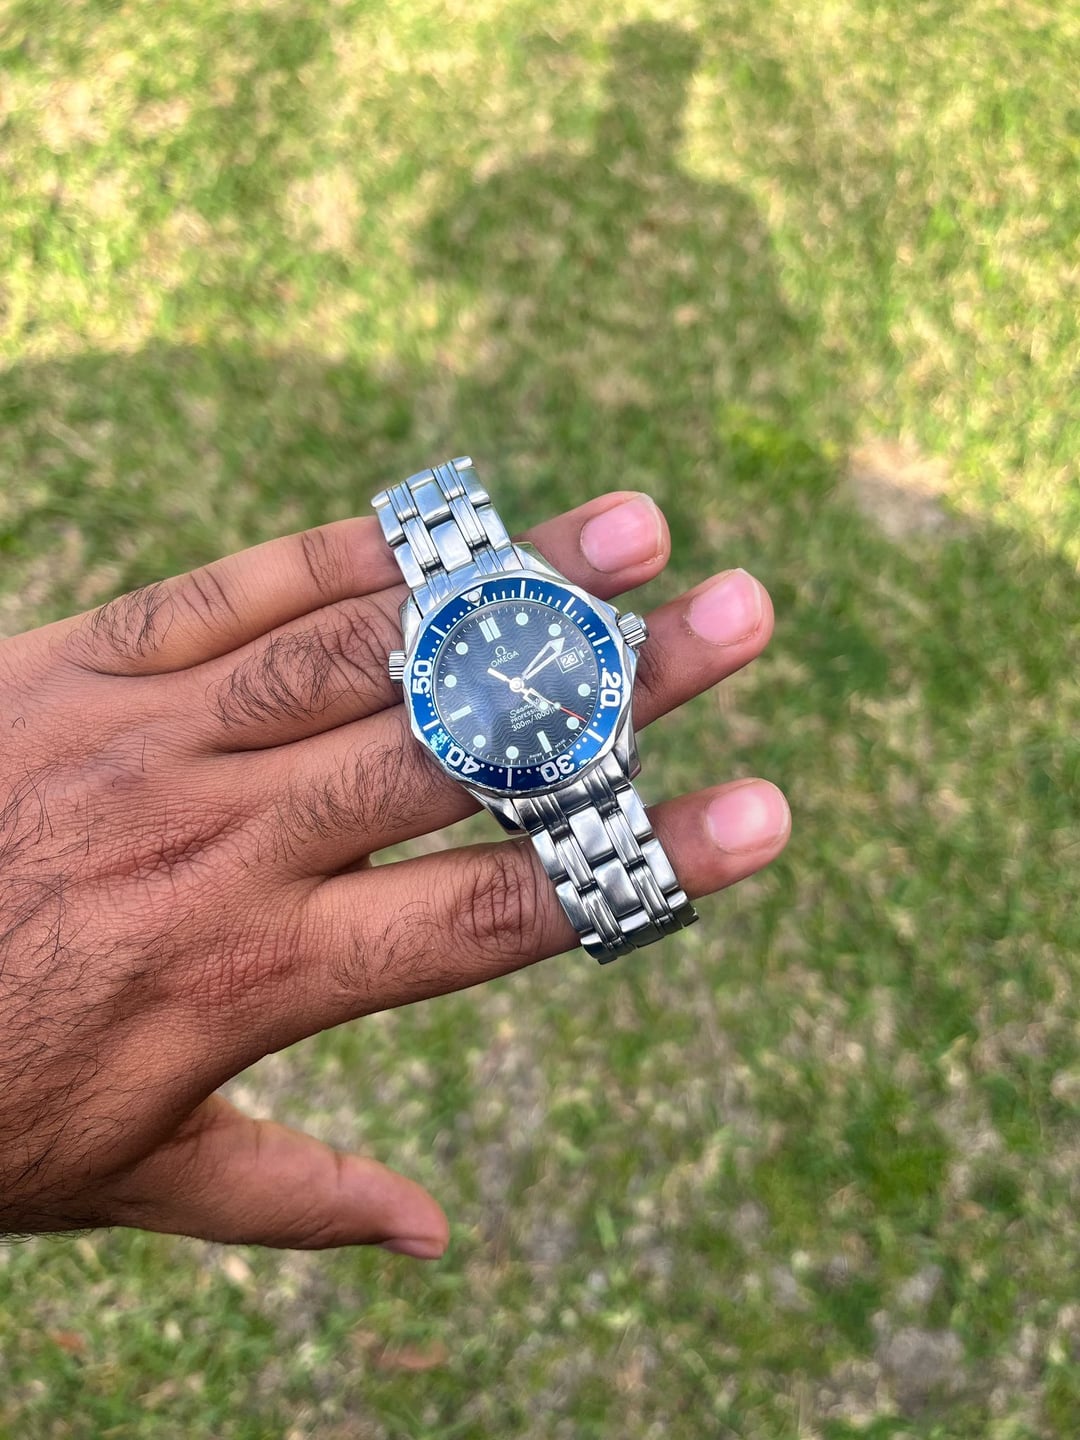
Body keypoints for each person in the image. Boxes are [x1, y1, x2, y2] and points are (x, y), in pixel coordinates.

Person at [0, 490, 789, 1254]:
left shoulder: (572, 654)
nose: (518, 688)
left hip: (573, 739)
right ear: (414, 684)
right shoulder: (448, 712)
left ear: (619, 637)